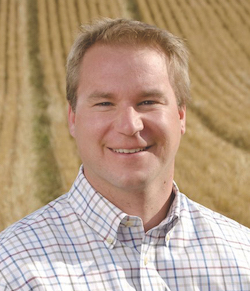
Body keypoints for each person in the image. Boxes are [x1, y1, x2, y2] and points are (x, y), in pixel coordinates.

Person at [0, 18, 249, 291]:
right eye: (105, 103)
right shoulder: (12, 271)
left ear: (180, 115)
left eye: (148, 102)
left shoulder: (242, 258)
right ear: (72, 118)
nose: (130, 125)